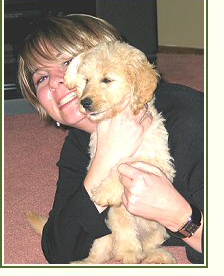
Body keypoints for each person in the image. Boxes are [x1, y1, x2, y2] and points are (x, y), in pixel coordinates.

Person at [18, 14, 204, 264]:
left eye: (67, 62)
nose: (55, 82)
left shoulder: (190, 121)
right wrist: (105, 158)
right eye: (41, 78)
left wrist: (178, 216)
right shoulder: (79, 141)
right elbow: (59, 250)